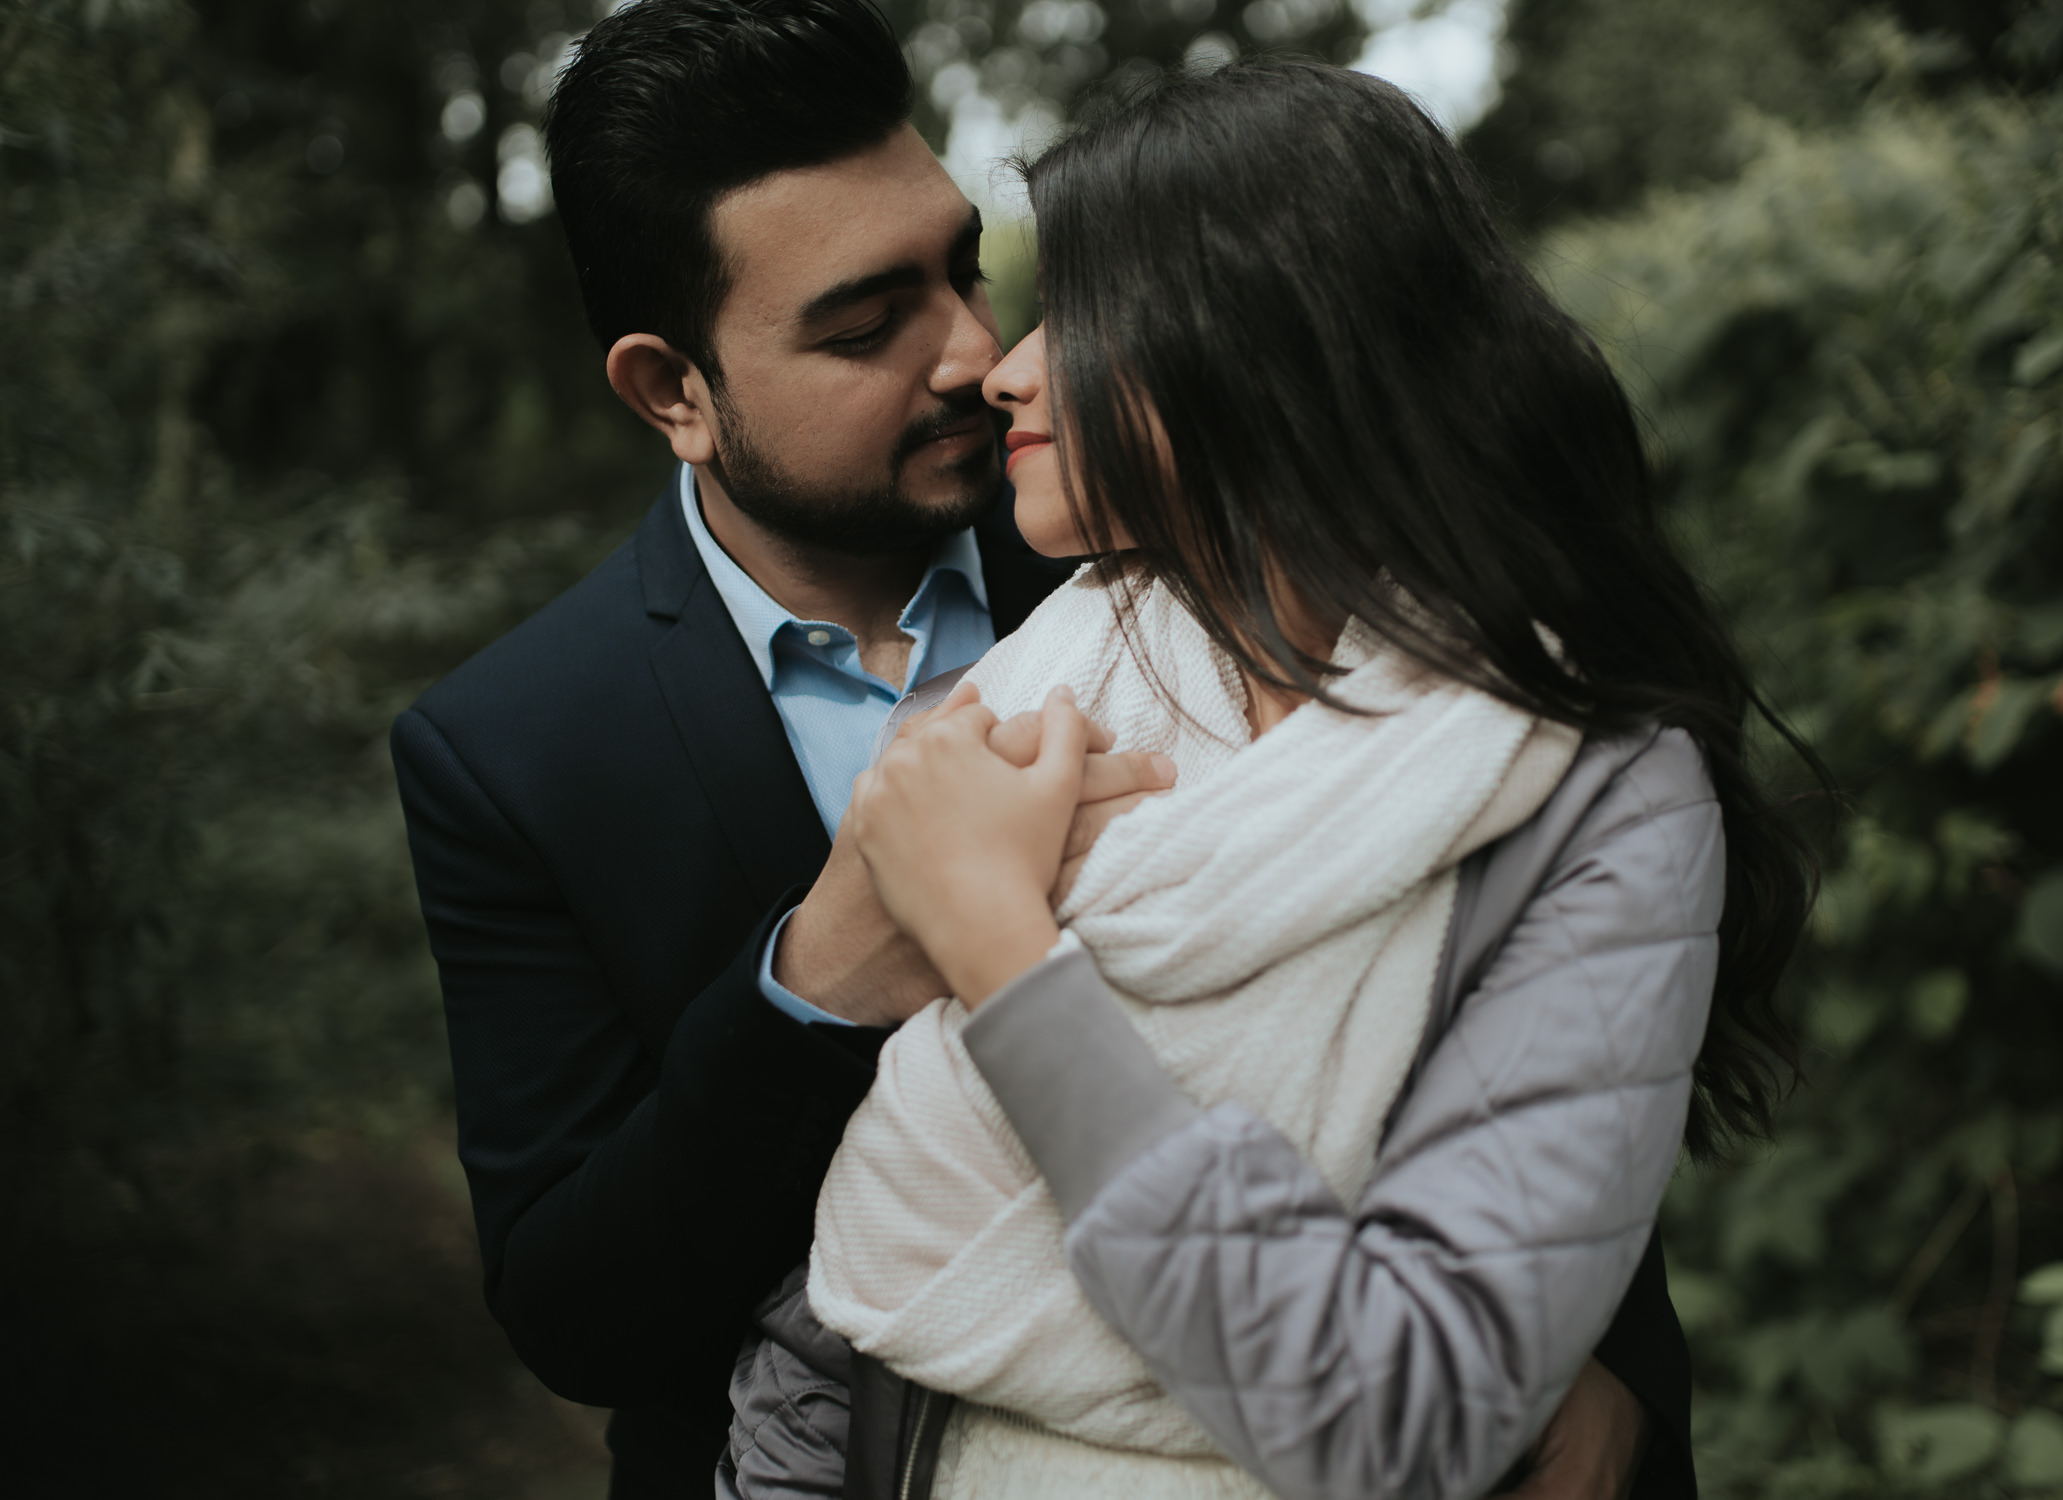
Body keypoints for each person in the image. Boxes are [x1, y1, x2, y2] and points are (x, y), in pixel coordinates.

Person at [389, 2, 1692, 1495]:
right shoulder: (518, 745)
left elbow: (1476, 984)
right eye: (866, 326)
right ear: (673, 391)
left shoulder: (1166, 534)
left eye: (963, 270)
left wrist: (1601, 1365)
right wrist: (820, 981)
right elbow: (578, 1315)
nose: (971, 352)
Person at [722, 57, 1817, 1500]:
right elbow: (845, 1281)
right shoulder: (1048, 675)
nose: (1005, 364)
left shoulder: (1595, 792)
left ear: (1262, 349)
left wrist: (998, 942)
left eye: (1082, 315)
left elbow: (1403, 1417)